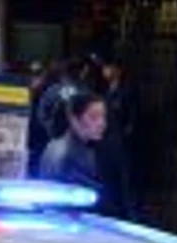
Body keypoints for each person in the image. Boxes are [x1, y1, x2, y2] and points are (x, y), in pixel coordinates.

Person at [38, 89, 116, 213]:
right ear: (74, 119)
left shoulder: (53, 144)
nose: (102, 123)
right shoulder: (71, 153)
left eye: (103, 117)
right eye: (93, 117)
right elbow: (95, 199)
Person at [99, 58, 138, 220]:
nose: (105, 71)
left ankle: (129, 213)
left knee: (124, 179)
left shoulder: (127, 91)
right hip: (108, 141)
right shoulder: (106, 90)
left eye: (108, 68)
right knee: (110, 178)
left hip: (120, 142)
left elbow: (132, 119)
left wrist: (124, 136)